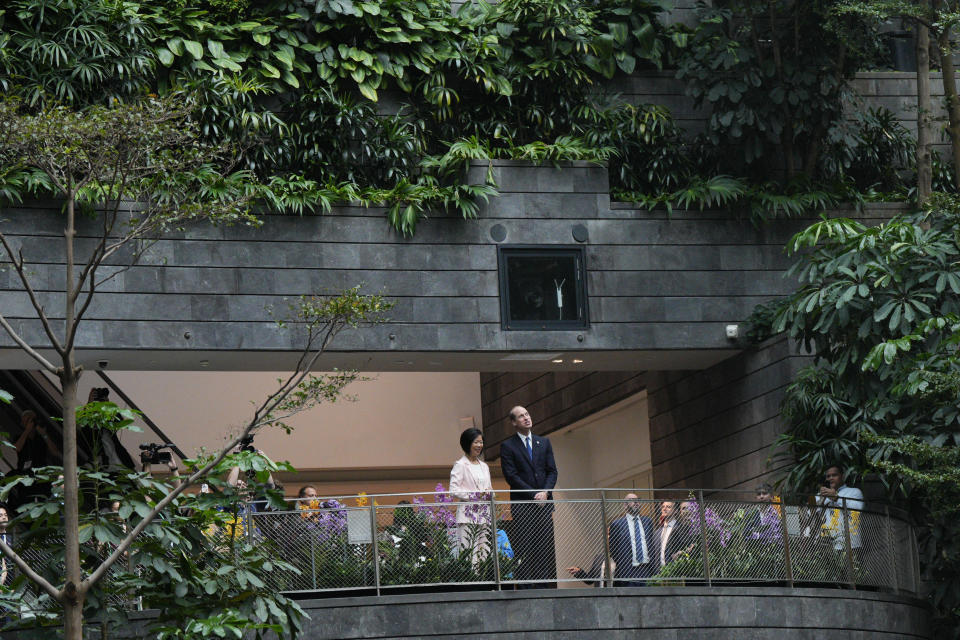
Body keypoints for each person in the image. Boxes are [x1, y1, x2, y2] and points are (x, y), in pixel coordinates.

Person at [499, 405, 558, 588]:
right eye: (521, 416)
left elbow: (552, 472)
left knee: (543, 548)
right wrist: (534, 494)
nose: (526, 418)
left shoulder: (544, 442)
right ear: (514, 422)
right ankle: (525, 588)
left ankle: (542, 587)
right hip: (524, 505)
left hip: (543, 505)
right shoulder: (508, 446)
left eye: (527, 414)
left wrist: (545, 493)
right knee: (525, 547)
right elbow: (511, 476)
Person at [449, 428, 493, 563]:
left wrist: (489, 494)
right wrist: (475, 495)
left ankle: (484, 583)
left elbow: (490, 488)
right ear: (467, 443)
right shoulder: (460, 465)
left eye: (481, 442)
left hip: (484, 514)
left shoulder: (484, 466)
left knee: (483, 552)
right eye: (476, 442)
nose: (479, 445)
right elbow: (453, 490)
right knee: (469, 553)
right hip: (468, 515)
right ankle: (472, 582)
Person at [609, 493, 657, 586]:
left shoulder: (648, 521)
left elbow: (651, 544)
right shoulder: (617, 524)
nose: (636, 502)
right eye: (632, 500)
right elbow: (613, 550)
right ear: (625, 505)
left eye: (638, 500)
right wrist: (624, 561)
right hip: (628, 572)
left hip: (647, 571)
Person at [816, 465, 865, 553]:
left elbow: (858, 509)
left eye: (834, 475)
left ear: (842, 476)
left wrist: (836, 498)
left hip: (850, 545)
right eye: (828, 476)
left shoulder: (854, 491)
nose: (831, 478)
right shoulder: (820, 495)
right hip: (826, 546)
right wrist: (821, 500)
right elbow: (810, 516)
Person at [656, 500, 688, 567]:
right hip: (659, 573)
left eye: (668, 507)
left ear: (675, 511)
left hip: (675, 569)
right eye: (663, 507)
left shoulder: (681, 528)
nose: (664, 509)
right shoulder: (657, 532)